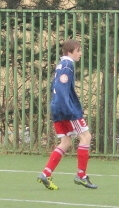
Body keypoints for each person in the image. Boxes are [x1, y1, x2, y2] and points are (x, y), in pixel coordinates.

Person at [36, 39, 97, 190]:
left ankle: (46, 173)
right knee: (86, 137)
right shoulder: (68, 65)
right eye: (78, 51)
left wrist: (56, 103)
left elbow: (53, 86)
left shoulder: (60, 65)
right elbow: (61, 87)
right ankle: (81, 175)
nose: (80, 53)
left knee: (66, 142)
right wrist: (69, 109)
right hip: (66, 109)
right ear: (70, 52)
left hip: (57, 107)